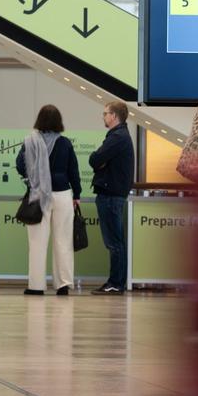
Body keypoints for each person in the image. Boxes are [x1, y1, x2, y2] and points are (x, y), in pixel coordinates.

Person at [15, 105, 81, 296]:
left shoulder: (30, 142)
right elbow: (73, 171)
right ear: (58, 121)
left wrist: (33, 177)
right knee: (63, 241)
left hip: (38, 196)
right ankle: (63, 285)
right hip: (62, 194)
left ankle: (36, 286)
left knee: (37, 242)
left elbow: (20, 165)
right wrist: (76, 194)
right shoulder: (65, 143)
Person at [88, 100, 133, 294]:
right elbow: (98, 162)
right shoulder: (119, 136)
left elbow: (95, 159)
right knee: (116, 242)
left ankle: (116, 282)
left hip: (110, 195)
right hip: (112, 194)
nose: (103, 117)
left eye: (105, 113)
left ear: (114, 116)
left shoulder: (117, 137)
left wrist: (100, 162)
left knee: (114, 243)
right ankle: (116, 282)